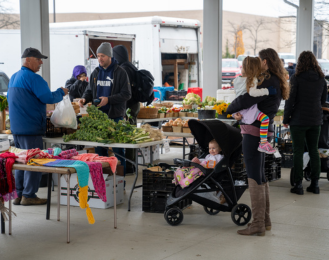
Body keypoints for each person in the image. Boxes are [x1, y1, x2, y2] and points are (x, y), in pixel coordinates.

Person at [227, 48, 289, 236]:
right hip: (263, 131)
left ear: (265, 61)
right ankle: (265, 221)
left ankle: (258, 224)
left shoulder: (268, 80)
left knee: (254, 175)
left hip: (253, 133)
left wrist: (229, 109)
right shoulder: (277, 80)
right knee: (261, 176)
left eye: (260, 60)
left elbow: (246, 99)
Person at [8, 47, 68, 206]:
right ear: (27, 59)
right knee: (34, 161)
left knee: (21, 161)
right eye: (38, 59)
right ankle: (29, 195)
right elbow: (48, 97)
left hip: (17, 129)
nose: (41, 62)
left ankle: (19, 194)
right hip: (31, 128)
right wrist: (61, 92)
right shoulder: (34, 78)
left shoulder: (14, 77)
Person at [79, 42, 131, 174]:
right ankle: (101, 181)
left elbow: (127, 94)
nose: (100, 59)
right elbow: (89, 90)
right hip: (98, 118)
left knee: (118, 151)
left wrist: (109, 99)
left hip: (115, 117)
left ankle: (120, 182)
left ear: (109, 56)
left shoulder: (120, 72)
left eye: (102, 55)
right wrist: (85, 98)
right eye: (98, 56)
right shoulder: (96, 72)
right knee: (99, 152)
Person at [283, 51, 327, 195]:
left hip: (298, 120)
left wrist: (286, 119)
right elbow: (322, 102)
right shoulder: (322, 79)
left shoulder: (296, 78)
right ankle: (315, 185)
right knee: (314, 150)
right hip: (316, 120)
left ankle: (298, 185)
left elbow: (290, 101)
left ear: (300, 62)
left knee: (298, 151)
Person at [233, 56, 277, 154]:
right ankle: (263, 143)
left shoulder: (236, 80)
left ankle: (263, 142)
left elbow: (237, 95)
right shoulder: (251, 79)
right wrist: (267, 91)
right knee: (265, 119)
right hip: (250, 109)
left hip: (241, 108)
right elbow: (253, 93)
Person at [113, 45, 140, 174]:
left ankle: (129, 166)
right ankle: (132, 164)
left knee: (128, 136)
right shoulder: (131, 66)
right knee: (132, 134)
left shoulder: (124, 69)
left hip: (128, 106)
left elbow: (125, 92)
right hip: (135, 105)